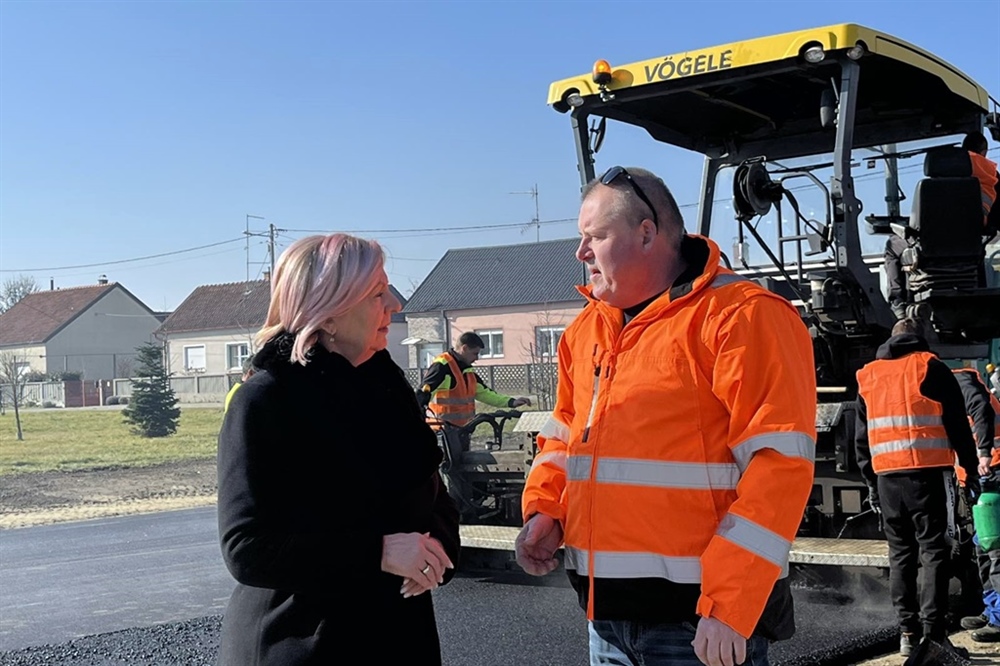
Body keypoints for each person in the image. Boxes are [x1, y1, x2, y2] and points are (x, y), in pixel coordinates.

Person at [515, 166, 817, 666]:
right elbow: (564, 437)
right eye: (581, 238)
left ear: (647, 233)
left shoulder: (741, 316)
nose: (581, 252)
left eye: (595, 236)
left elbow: (778, 467)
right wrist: (546, 511)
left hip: (699, 625)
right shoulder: (584, 332)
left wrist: (729, 605)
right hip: (606, 621)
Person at [216, 233, 459, 665]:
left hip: (397, 635)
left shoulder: (389, 388)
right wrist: (378, 552)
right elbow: (247, 547)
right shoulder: (267, 399)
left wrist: (437, 545)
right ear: (327, 314)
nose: (395, 305)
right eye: (377, 294)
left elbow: (431, 493)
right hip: (303, 644)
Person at [854, 318, 980, 657]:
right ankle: (934, 636)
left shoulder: (868, 376)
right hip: (925, 476)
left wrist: (870, 485)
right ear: (920, 339)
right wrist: (970, 470)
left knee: (901, 556)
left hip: (886, 481)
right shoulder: (929, 366)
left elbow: (861, 441)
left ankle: (907, 634)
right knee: (934, 552)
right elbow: (958, 424)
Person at [885, 131, 999, 319]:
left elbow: (920, 224)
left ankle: (898, 303)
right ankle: (978, 289)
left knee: (891, 245)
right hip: (970, 250)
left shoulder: (929, 189)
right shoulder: (991, 178)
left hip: (930, 248)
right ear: (984, 151)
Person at [954, 367, 1000, 643]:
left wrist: (983, 454)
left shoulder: (959, 381)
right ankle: (992, 608)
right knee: (983, 547)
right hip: (979, 478)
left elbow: (981, 410)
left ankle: (998, 618)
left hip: (992, 473)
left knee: (994, 548)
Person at [417, 331, 531, 429]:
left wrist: (512, 402)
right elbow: (422, 395)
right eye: (475, 353)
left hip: (463, 430)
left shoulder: (468, 372)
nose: (476, 358)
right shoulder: (442, 367)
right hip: (441, 432)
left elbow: (485, 394)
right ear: (464, 348)